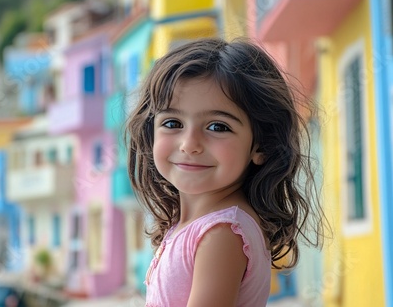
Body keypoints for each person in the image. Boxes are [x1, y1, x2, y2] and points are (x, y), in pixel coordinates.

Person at [125, 37, 327, 307]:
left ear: (261, 145)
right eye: (172, 122)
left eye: (218, 127)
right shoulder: (197, 227)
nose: (189, 145)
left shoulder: (221, 234)